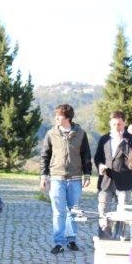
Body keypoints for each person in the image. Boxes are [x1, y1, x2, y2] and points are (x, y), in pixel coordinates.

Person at [40, 104, 92, 254]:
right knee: (58, 212)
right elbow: (45, 155)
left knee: (73, 211)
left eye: (59, 115)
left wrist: (87, 174)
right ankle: (59, 242)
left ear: (67, 117)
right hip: (56, 177)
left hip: (75, 178)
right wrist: (44, 176)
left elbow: (86, 155)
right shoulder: (51, 133)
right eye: (56, 115)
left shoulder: (81, 133)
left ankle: (71, 240)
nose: (56, 118)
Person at [93, 110, 132, 239]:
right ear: (110, 124)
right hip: (106, 180)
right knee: (103, 210)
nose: (116, 127)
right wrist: (100, 166)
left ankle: (120, 237)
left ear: (124, 123)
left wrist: (122, 142)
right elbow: (98, 157)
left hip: (125, 180)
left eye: (119, 124)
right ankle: (105, 237)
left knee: (122, 211)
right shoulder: (104, 139)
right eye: (113, 124)